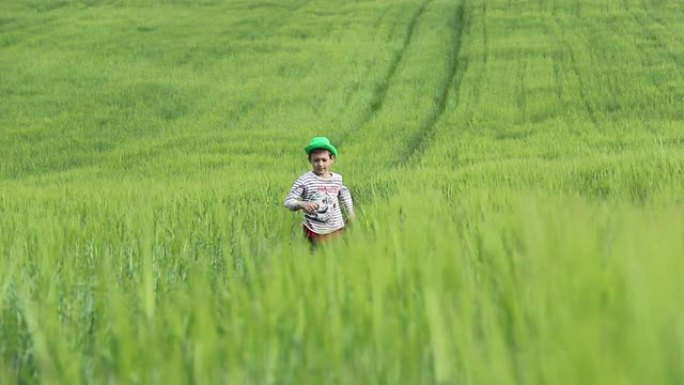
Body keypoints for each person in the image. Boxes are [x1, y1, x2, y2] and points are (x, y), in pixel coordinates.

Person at [284, 136, 355, 249]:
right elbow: (288, 202)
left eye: (324, 160)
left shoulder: (337, 179)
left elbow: (344, 196)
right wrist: (303, 204)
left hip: (336, 229)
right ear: (310, 160)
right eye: (316, 160)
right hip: (314, 232)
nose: (320, 164)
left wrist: (350, 214)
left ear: (331, 159)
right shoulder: (304, 180)